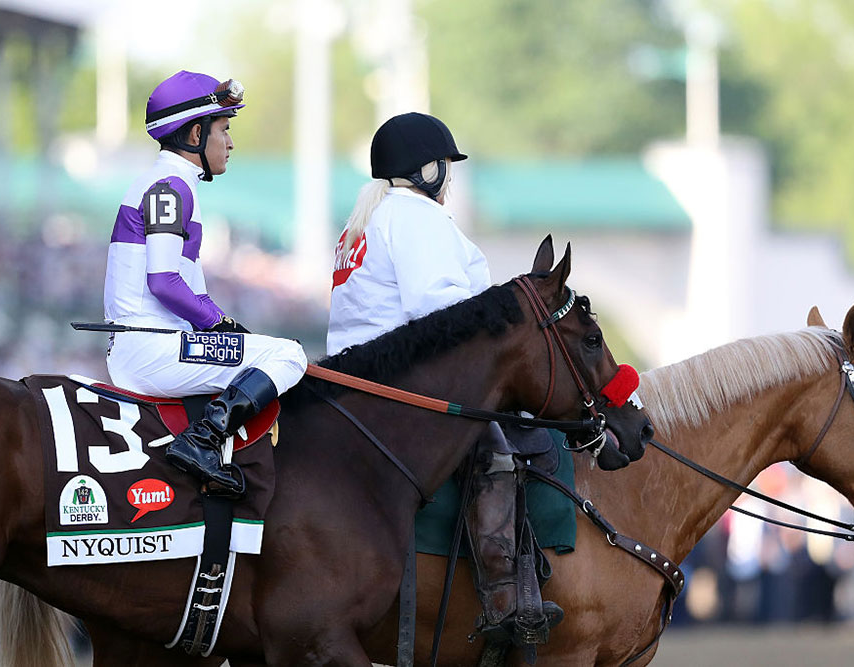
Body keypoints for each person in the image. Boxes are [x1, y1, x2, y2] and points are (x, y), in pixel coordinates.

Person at [326, 112, 563, 647]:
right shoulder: (413, 216)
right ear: (427, 170)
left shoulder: (366, 219)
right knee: (498, 453)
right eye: (445, 168)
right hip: (404, 384)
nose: (448, 179)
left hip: (358, 380)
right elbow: (439, 309)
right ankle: (505, 596)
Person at [103, 71, 307, 497]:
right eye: (224, 129)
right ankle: (202, 440)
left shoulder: (173, 184)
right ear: (196, 133)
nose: (230, 142)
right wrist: (219, 321)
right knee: (289, 355)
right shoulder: (170, 186)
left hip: (151, 342)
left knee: (266, 353)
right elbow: (162, 281)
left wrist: (220, 324)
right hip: (149, 348)